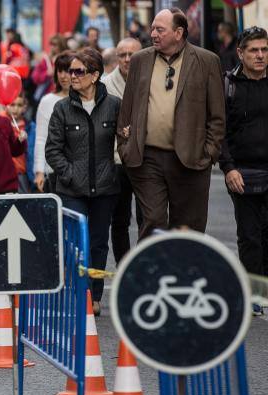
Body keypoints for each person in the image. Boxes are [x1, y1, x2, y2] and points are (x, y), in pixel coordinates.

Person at [117, 8, 226, 239]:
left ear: (178, 32)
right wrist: (125, 146)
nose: (153, 33)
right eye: (153, 28)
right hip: (147, 158)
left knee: (188, 229)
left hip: (191, 159)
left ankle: (184, 273)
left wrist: (209, 153)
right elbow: (127, 108)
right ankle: (148, 272)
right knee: (153, 221)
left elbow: (217, 115)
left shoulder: (207, 61)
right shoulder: (140, 60)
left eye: (160, 29)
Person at [46, 48, 120, 316]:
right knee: (75, 241)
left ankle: (94, 295)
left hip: (104, 188)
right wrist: (69, 174)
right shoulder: (62, 108)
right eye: (70, 71)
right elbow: (52, 150)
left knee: (99, 243)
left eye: (79, 71)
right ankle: (76, 293)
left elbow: (123, 142)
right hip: (71, 189)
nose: (71, 76)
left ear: (95, 75)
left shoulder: (113, 105)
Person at [219, 27, 268, 290]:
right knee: (250, 236)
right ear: (240, 53)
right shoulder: (228, 86)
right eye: (254, 50)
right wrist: (228, 168)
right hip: (242, 172)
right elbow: (219, 132)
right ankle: (256, 292)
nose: (260, 55)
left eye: (264, 49)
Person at [102, 38, 142, 263]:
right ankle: (124, 265)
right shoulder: (106, 85)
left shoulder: (149, 79)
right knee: (120, 219)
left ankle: (146, 266)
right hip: (117, 161)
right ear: (117, 58)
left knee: (149, 218)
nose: (127, 59)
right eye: (123, 55)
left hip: (146, 158)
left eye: (132, 54)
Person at [34, 52, 73, 193]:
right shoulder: (47, 101)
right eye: (60, 71)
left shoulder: (87, 100)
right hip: (54, 171)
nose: (63, 76)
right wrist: (39, 171)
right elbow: (41, 138)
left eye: (67, 71)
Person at [6, 93, 34, 193]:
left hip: (23, 172)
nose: (15, 109)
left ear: (24, 107)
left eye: (19, 105)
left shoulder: (30, 127)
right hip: (6, 173)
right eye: (12, 105)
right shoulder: (3, 124)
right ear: (6, 105)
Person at [32, 35, 69, 101]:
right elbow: (35, 76)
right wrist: (46, 74)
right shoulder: (46, 60)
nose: (52, 47)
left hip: (65, 94)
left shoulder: (68, 59)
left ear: (61, 46)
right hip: (49, 94)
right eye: (51, 45)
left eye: (55, 45)